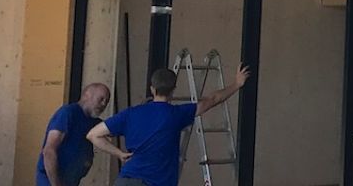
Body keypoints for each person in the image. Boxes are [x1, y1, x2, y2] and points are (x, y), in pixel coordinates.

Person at [86, 65, 250, 186]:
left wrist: (119, 154)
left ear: (152, 89)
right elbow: (213, 99)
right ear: (173, 90)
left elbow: (93, 135)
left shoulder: (130, 114)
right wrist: (237, 84)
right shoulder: (177, 114)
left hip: (126, 180)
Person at [36, 83, 111, 186]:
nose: (103, 104)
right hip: (52, 180)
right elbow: (49, 151)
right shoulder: (67, 113)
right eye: (101, 99)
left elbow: (113, 128)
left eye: (106, 101)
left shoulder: (92, 121)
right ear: (87, 95)